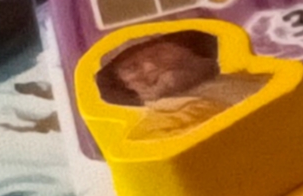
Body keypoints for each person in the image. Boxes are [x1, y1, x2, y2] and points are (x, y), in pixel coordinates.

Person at [92, 28, 262, 134]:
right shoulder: (156, 129)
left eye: (158, 52)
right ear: (124, 85)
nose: (151, 66)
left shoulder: (250, 76)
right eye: (132, 67)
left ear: (186, 49)